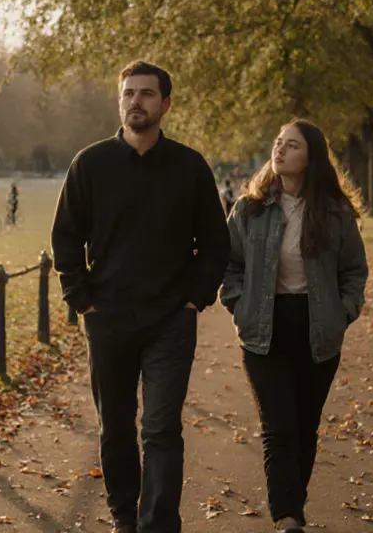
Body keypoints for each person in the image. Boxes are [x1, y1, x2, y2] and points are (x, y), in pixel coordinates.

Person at [52, 60, 229, 533]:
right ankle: (123, 519)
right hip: (107, 318)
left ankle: (157, 525)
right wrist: (81, 299)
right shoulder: (90, 163)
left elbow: (215, 243)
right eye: (128, 93)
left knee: (160, 429)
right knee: (116, 429)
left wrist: (195, 297)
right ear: (120, 101)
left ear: (165, 104)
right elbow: (65, 239)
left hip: (171, 318)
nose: (136, 101)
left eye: (147, 94)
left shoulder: (190, 167)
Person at [220, 120, 368, 533]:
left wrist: (343, 311)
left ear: (311, 157)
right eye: (278, 143)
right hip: (263, 330)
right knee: (278, 426)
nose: (280, 151)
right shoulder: (249, 209)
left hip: (318, 329)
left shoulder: (335, 212)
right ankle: (287, 518)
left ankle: (292, 509)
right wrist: (238, 305)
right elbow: (229, 265)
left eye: (292, 145)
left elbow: (354, 271)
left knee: (304, 427)